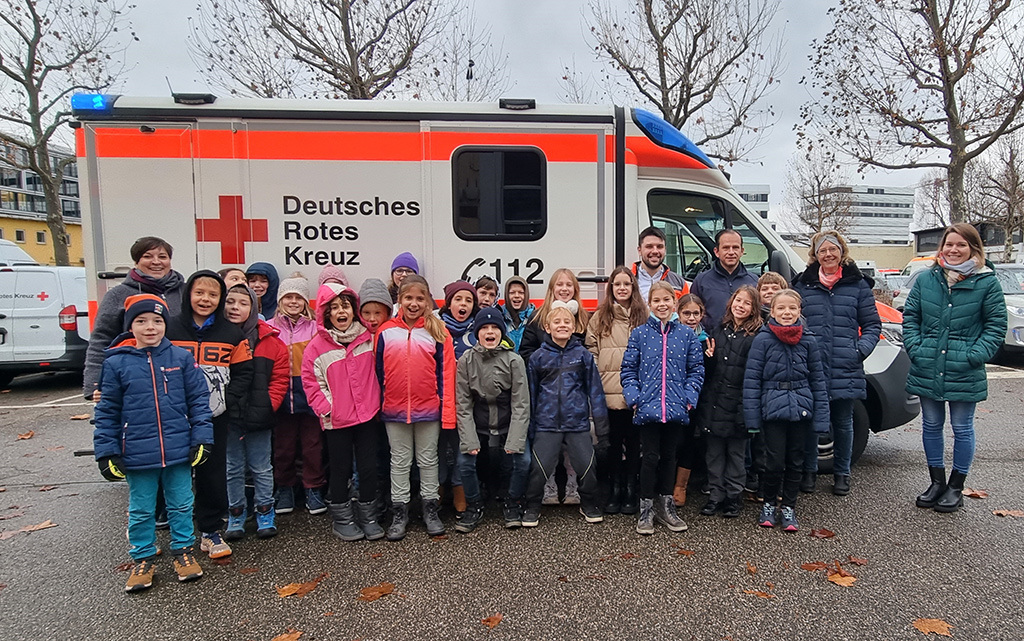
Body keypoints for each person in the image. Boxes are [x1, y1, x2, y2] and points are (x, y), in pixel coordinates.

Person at [93, 294, 213, 592]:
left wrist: (202, 437)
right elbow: (107, 410)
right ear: (130, 326)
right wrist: (106, 451)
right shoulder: (116, 363)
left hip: (177, 448)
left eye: (157, 321)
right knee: (142, 508)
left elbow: (199, 401)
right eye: (142, 321)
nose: (150, 328)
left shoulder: (181, 358)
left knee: (182, 503)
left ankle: (183, 551)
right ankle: (143, 558)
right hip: (136, 451)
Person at [903, 224, 1006, 513]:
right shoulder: (927, 280)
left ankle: (956, 486)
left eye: (961, 245)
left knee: (962, 427)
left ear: (973, 248)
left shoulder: (987, 282)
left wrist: (975, 355)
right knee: (931, 425)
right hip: (928, 363)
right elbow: (910, 317)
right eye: (949, 244)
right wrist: (917, 348)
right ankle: (936, 482)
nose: (953, 249)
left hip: (964, 367)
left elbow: (996, 326)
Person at [166, 271, 253, 560]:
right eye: (199, 293)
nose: (205, 299)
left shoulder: (231, 333)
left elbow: (243, 373)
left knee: (211, 473)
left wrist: (225, 400)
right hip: (172, 417)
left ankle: (210, 531)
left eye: (213, 295)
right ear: (188, 294)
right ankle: (176, 532)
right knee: (173, 473)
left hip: (215, 416)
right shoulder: (169, 329)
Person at [793, 231, 881, 497]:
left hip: (846, 365)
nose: (828, 255)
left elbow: (872, 325)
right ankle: (808, 471)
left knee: (844, 422)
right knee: (810, 421)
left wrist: (860, 351)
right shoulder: (802, 285)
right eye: (822, 251)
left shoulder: (858, 286)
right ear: (815, 255)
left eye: (833, 249)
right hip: (812, 366)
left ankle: (842, 473)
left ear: (842, 252)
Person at [375, 275, 456, 540]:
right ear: (399, 300)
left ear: (428, 300)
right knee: (399, 461)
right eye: (408, 298)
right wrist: (380, 404)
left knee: (428, 459)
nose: (414, 303)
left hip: (428, 408)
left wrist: (446, 412)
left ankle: (430, 509)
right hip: (394, 409)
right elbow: (377, 373)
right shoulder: (385, 331)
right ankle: (400, 511)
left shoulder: (438, 331)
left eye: (420, 298)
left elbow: (446, 374)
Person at [302, 283, 385, 541]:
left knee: (369, 467)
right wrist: (328, 408)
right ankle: (342, 519)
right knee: (340, 469)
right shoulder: (316, 347)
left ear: (353, 310)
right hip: (336, 420)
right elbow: (311, 381)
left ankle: (369, 516)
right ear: (326, 313)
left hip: (368, 415)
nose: (341, 311)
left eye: (346, 306)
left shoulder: (367, 338)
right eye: (334, 307)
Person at [621, 282, 705, 535]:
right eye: (656, 300)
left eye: (666, 300)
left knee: (670, 457)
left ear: (674, 302)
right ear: (650, 303)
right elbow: (628, 370)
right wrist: (635, 398)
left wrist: (688, 399)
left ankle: (667, 505)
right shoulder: (639, 334)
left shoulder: (687, 336)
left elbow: (696, 370)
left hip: (676, 408)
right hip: (647, 408)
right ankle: (645, 507)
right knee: (649, 458)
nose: (662, 305)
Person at [743, 289, 829, 532]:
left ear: (799, 310)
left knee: (796, 460)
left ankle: (789, 506)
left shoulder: (809, 340)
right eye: (781, 308)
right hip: (772, 410)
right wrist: (752, 418)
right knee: (773, 461)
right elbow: (752, 380)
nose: (786, 312)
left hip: (802, 408)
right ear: (772, 310)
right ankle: (769, 503)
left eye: (792, 308)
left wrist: (821, 419)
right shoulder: (763, 339)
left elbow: (818, 381)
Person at [522, 301, 609, 527]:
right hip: (546, 423)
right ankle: (532, 506)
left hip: (577, 423)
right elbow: (530, 395)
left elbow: (596, 393)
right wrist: (529, 428)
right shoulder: (538, 357)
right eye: (557, 322)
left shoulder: (583, 356)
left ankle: (588, 503)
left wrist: (602, 429)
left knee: (587, 467)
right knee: (538, 469)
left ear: (574, 326)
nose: (562, 325)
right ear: (548, 328)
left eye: (567, 322)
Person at [454, 307, 531, 532]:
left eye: (495, 328)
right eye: (484, 328)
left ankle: (513, 502)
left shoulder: (514, 360)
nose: (490, 332)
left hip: (508, 424)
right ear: (477, 332)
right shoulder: (466, 361)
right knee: (464, 464)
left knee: (523, 461)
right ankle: (474, 505)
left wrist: (515, 441)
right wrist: (469, 440)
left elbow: (521, 404)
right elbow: (464, 405)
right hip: (479, 426)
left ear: (502, 332)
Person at [518, 268, 590, 505]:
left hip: (575, 393)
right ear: (551, 289)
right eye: (560, 284)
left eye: (569, 285)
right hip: (546, 391)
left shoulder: (584, 318)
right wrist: (544, 363)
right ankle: (548, 485)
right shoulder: (538, 318)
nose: (564, 289)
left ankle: (572, 485)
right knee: (545, 444)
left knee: (573, 445)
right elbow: (525, 351)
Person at [222, 285, 288, 541]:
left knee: (261, 467)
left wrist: (268, 405)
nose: (235, 307)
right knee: (233, 467)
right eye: (230, 302)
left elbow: (280, 379)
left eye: (243, 303)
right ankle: (236, 513)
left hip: (260, 415)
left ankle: (265, 511)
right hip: (228, 415)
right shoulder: (219, 338)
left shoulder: (271, 342)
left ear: (254, 308)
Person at [84, 237, 186, 401]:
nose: (156, 262)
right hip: (135, 379)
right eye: (147, 256)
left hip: (178, 375)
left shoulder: (186, 292)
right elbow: (101, 339)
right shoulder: (117, 295)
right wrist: (94, 384)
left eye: (162, 257)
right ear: (136, 261)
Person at [585, 266, 648, 515]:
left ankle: (631, 488)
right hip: (608, 391)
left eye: (627, 284)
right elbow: (591, 349)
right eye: (617, 284)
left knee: (633, 443)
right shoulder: (599, 317)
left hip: (636, 392)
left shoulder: (643, 317)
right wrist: (598, 379)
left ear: (633, 287)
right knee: (611, 444)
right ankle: (614, 488)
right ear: (610, 288)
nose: (622, 288)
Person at [697, 285, 762, 518]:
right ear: (731, 302)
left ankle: (733, 497)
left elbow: (755, 375)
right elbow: (710, 371)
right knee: (714, 454)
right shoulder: (719, 330)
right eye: (738, 301)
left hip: (739, 403)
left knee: (736, 455)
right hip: (714, 401)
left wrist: (748, 407)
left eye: (747, 303)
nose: (740, 306)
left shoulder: (756, 336)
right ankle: (716, 495)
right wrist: (709, 359)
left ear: (754, 308)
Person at [266, 273, 325, 515]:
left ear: (305, 302)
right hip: (280, 397)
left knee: (313, 446)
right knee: (283, 447)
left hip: (308, 396)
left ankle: (314, 487)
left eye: (298, 298)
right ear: (280, 300)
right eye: (288, 297)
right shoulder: (269, 328)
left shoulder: (313, 329)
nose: (293, 302)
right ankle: (285, 488)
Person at [438, 280, 481, 515]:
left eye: (468, 300)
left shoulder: (478, 331)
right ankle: (436, 491)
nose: (463, 304)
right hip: (438, 399)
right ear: (449, 303)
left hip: (468, 402)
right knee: (437, 449)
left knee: (461, 449)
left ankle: (459, 491)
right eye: (458, 299)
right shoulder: (435, 327)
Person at [671, 293, 710, 507]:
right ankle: (665, 483)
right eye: (687, 313)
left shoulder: (707, 341)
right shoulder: (670, 335)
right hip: (674, 396)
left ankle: (681, 486)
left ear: (702, 315)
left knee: (690, 442)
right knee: (672, 441)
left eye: (696, 313)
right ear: (678, 313)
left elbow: (709, 373)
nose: (692, 317)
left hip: (696, 398)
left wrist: (710, 357)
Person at [690, 229, 759, 331]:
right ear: (716, 252)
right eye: (726, 248)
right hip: (711, 341)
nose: (731, 252)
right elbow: (693, 313)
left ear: (742, 251)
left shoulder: (754, 281)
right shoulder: (701, 281)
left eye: (735, 247)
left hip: (745, 342)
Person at [632, 226, 689, 300]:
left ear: (665, 249)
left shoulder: (679, 283)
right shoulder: (627, 281)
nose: (655, 251)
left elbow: (686, 309)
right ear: (639, 250)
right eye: (649, 247)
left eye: (659, 247)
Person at [501, 275, 535, 351]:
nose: (517, 296)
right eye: (512, 292)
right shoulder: (500, 317)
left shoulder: (535, 318)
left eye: (521, 293)